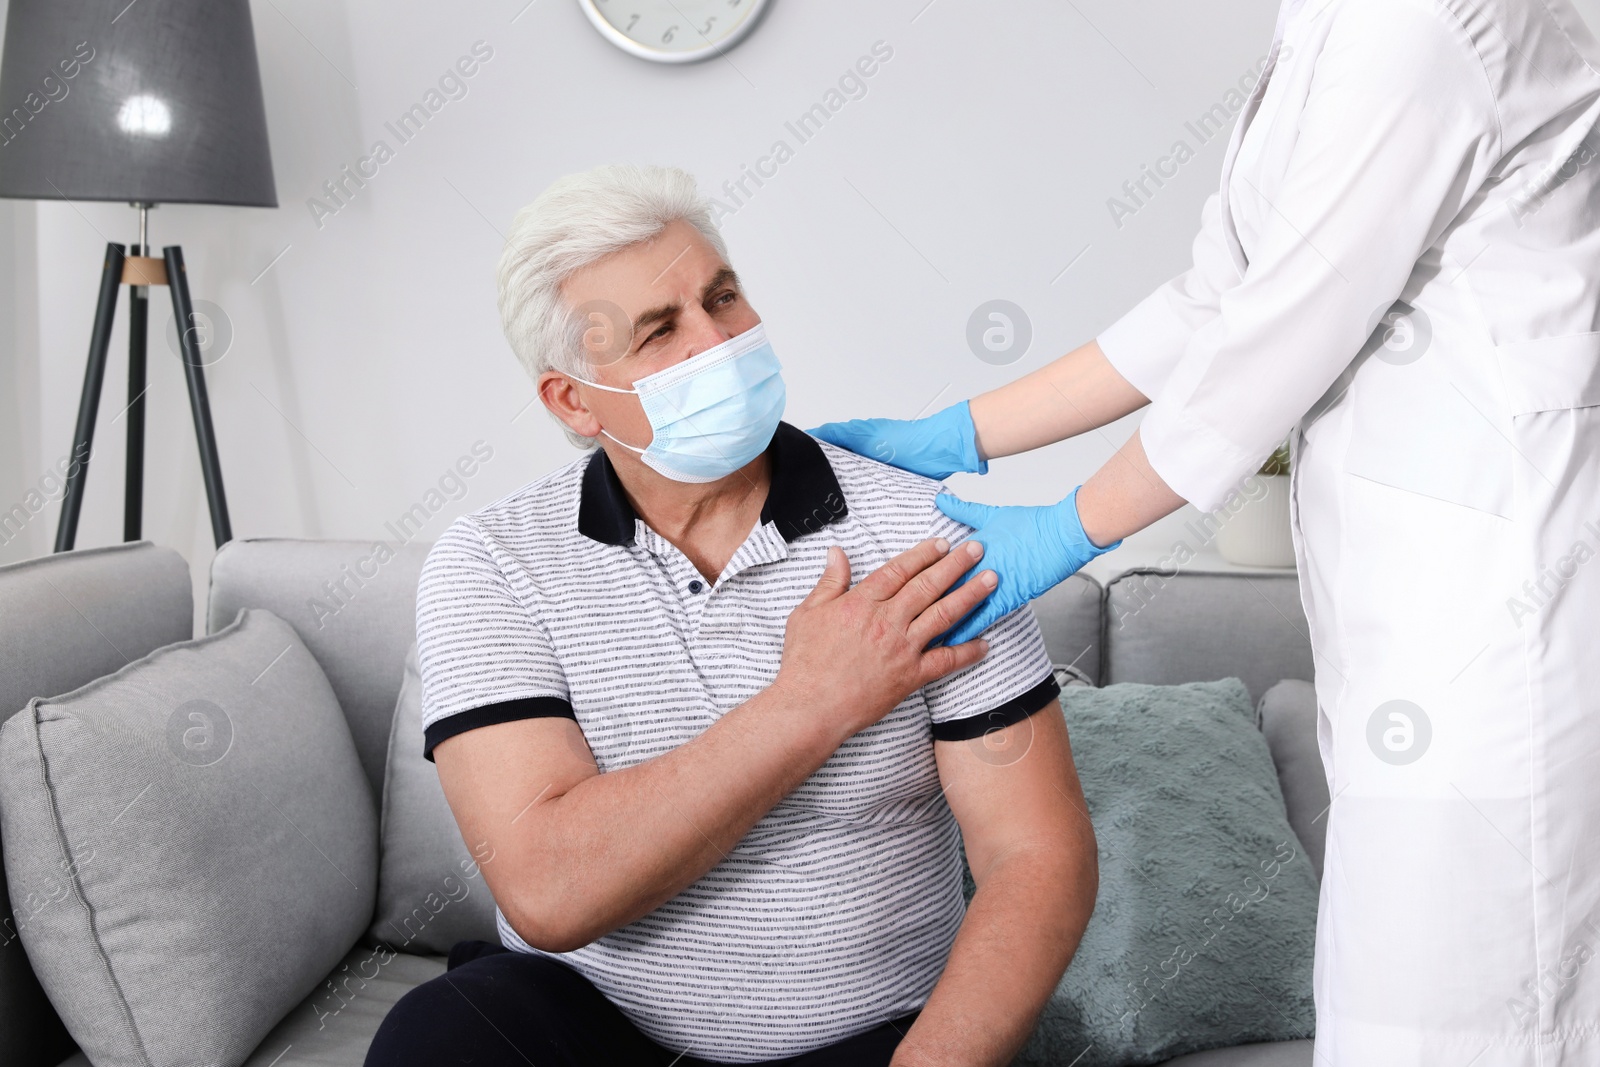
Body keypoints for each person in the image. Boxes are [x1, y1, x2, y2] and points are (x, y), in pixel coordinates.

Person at [813, 0, 1600, 1063]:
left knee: (1480, 1014)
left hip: (1504, 625)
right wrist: (964, 429)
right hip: (1416, 632)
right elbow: (1215, 296)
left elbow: (1282, 329)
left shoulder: (1425, 21)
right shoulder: (1329, 21)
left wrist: (1064, 528)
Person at [364, 164, 1099, 1067]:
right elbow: (551, 889)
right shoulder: (493, 564)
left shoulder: (919, 528)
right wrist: (810, 703)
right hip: (596, 1030)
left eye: (723, 298)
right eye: (660, 331)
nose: (718, 342)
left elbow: (1037, 855)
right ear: (574, 398)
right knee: (434, 1040)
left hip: (868, 1037)